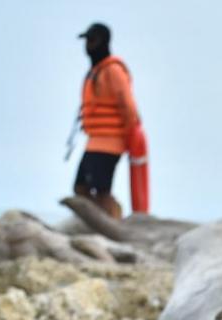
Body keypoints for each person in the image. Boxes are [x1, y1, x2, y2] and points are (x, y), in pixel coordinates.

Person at [73, 22, 141, 219]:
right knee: (81, 187)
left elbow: (128, 105)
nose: (88, 46)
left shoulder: (113, 70)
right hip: (94, 141)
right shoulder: (96, 71)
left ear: (103, 42)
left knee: (102, 190)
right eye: (87, 41)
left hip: (110, 142)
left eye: (92, 41)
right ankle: (101, 220)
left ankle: (115, 221)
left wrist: (128, 134)